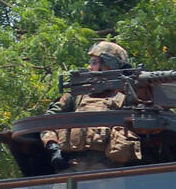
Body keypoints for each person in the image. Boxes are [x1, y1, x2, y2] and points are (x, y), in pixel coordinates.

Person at [41, 40, 142, 171]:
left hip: (110, 171)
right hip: (72, 166)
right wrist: (53, 147)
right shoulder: (77, 94)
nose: (89, 67)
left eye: (94, 62)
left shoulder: (129, 96)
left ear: (109, 64)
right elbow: (46, 122)